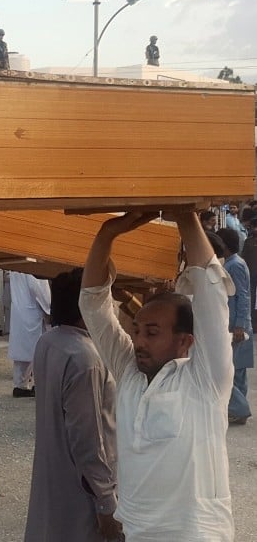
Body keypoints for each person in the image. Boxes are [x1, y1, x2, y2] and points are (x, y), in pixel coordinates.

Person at [80, 211, 235, 541]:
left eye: (152, 332)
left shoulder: (206, 379)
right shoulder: (130, 374)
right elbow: (93, 306)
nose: (138, 341)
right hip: (136, 531)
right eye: (136, 330)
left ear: (185, 341)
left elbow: (211, 293)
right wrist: (107, 234)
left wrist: (185, 215)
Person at [24, 268, 120, 542]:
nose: (112, 306)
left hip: (56, 472)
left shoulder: (49, 342)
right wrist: (105, 502)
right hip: (82, 487)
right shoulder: (85, 358)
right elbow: (88, 440)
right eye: (107, 299)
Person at [214, 228, 253, 425]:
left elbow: (243, 296)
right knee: (238, 370)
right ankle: (237, 409)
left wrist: (239, 326)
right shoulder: (233, 263)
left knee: (229, 368)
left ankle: (240, 409)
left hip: (236, 325)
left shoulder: (234, 265)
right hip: (239, 324)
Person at [7, 272, 50, 398]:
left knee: (22, 351)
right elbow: (37, 286)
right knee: (39, 352)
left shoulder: (16, 262)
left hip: (20, 308)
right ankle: (40, 386)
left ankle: (20, 385)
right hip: (34, 311)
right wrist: (49, 307)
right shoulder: (33, 262)